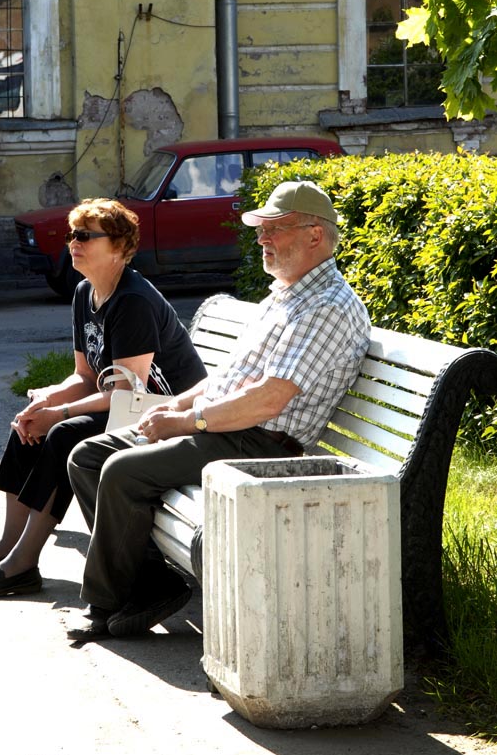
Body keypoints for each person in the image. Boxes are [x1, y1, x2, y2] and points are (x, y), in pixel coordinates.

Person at [66, 180, 371, 641]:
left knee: (122, 471)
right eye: (261, 229)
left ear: (314, 235)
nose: (263, 238)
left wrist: (185, 421)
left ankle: (104, 604)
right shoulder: (286, 295)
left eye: (276, 229)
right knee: (87, 457)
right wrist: (174, 405)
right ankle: (152, 584)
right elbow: (226, 379)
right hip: (227, 426)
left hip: (261, 443)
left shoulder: (325, 305)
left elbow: (269, 399)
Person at [0, 197, 207, 597]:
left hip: (162, 413)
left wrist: (60, 412)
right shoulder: (84, 293)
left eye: (86, 236)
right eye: (73, 234)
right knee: (27, 426)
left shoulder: (133, 300)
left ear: (120, 247)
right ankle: (7, 549)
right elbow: (85, 376)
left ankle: (24, 562)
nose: (74, 241)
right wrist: (42, 404)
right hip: (127, 407)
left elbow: (126, 392)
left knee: (64, 433)